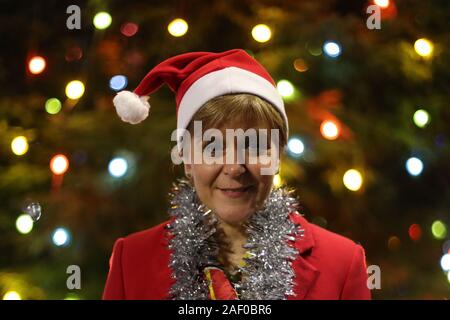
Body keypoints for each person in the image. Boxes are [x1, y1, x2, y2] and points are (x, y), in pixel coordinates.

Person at [103, 49, 371, 300]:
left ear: (277, 156)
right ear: (186, 159)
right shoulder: (131, 259)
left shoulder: (343, 263)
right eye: (213, 147)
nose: (234, 167)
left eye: (253, 145)